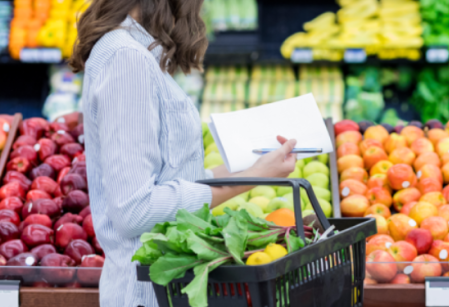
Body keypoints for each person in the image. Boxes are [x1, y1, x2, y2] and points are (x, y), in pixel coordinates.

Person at [69, 1, 297, 306]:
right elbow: (135, 210)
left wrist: (253, 169)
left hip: (166, 289)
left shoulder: (138, 52)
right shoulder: (126, 59)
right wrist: (250, 179)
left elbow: (173, 180)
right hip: (146, 295)